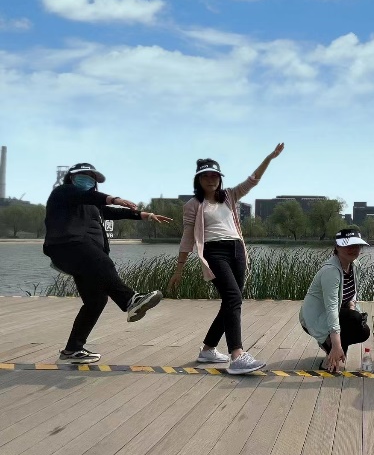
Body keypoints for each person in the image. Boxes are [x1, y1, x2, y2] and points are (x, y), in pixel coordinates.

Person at [167, 143, 284, 375]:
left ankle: (208, 350)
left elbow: (253, 180)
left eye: (215, 176)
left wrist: (269, 158)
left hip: (237, 250)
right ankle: (237, 355)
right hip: (214, 252)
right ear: (198, 180)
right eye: (206, 176)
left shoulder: (230, 195)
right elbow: (187, 237)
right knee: (233, 297)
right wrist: (179, 269)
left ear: (220, 178)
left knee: (231, 300)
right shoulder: (193, 205)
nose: (211, 180)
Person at [44, 162, 171, 364]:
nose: (88, 179)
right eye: (84, 175)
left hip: (85, 255)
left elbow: (113, 212)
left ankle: (73, 349)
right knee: (104, 263)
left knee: (96, 300)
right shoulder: (63, 192)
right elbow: (88, 196)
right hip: (67, 246)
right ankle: (131, 300)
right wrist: (116, 198)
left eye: (92, 177)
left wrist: (144, 215)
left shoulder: (93, 205)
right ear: (71, 177)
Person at [299, 228, 372, 373]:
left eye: (357, 245)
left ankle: (333, 349)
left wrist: (352, 305)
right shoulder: (331, 271)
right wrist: (337, 344)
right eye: (348, 245)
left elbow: (353, 291)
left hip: (336, 312)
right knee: (354, 319)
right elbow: (331, 308)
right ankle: (331, 350)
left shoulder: (355, 265)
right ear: (337, 247)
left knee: (363, 330)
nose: (353, 249)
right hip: (316, 317)